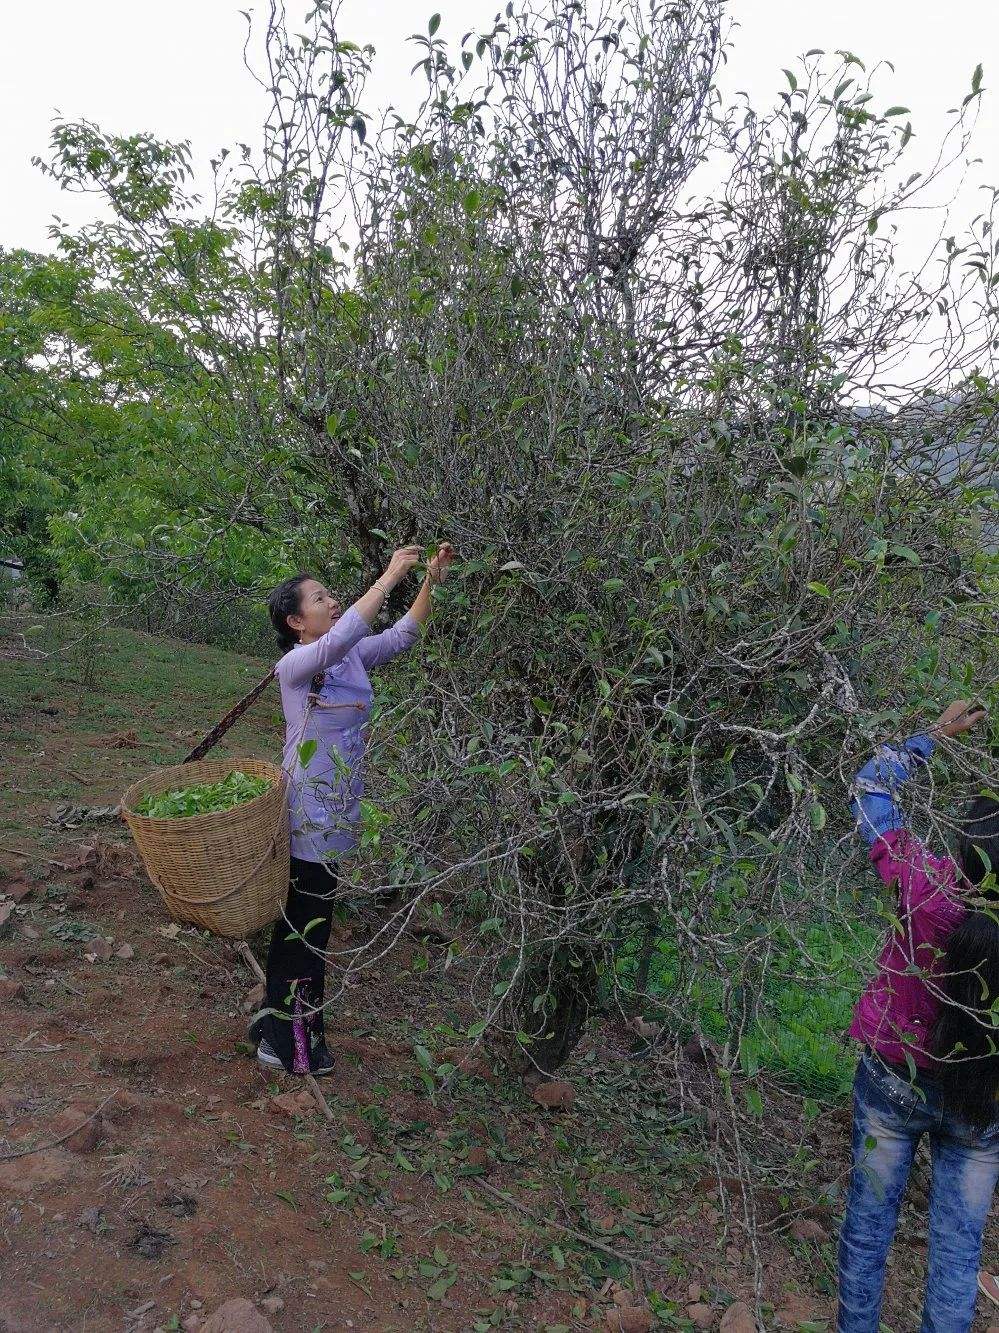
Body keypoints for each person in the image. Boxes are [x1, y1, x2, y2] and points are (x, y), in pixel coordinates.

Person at [251, 542, 454, 1077]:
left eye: (330, 594)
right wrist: (389, 576)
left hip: (337, 812)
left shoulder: (350, 657)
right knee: (306, 927)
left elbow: (403, 635)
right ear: (297, 622)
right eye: (320, 598)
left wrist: (429, 581)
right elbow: (345, 634)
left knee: (309, 922)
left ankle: (277, 1027)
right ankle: (287, 1042)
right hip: (306, 815)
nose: (332, 601)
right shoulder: (296, 665)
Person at [838, 699, 999, 1332]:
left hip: (894, 1079)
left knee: (867, 1230)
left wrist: (931, 736)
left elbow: (871, 790)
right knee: (959, 1254)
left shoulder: (925, 886)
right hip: (982, 1100)